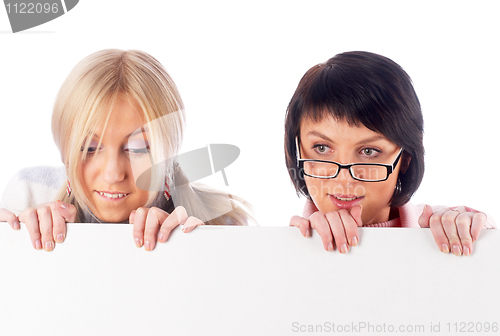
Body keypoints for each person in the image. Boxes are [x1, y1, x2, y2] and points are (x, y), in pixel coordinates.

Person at [0, 49, 251, 251]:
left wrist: (193, 252)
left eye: (139, 149)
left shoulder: (220, 223)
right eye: (89, 147)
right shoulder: (28, 194)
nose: (112, 174)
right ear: (65, 152)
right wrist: (15, 245)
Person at [285, 51, 495, 256]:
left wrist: (477, 234)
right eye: (322, 148)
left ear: (405, 157)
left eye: (369, 151)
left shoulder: (437, 231)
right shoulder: (280, 247)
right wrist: (300, 249)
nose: (344, 179)